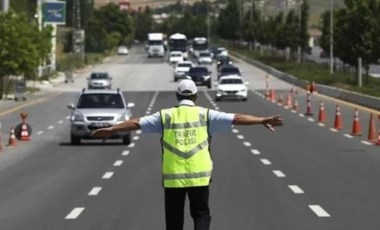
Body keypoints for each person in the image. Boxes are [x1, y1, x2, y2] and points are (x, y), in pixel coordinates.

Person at [91, 79, 283, 230]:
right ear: (196, 96)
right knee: (201, 215)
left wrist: (112, 129)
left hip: (173, 178)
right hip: (200, 177)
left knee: (174, 220)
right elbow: (237, 118)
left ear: (177, 96)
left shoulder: (164, 116)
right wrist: (262, 120)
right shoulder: (206, 114)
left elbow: (136, 122)